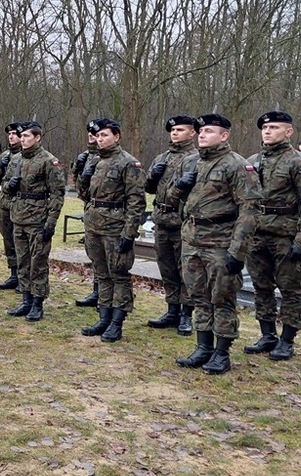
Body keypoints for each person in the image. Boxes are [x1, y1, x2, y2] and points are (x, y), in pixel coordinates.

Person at [168, 113, 260, 375]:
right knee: (199, 297)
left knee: (221, 298)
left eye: (209, 131)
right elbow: (173, 199)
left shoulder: (236, 165)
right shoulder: (195, 162)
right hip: (193, 240)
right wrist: (179, 186)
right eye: (201, 131)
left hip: (220, 242)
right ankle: (203, 347)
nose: (203, 135)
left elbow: (250, 210)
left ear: (224, 135)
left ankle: (221, 353)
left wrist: (237, 249)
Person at [243, 111, 301, 361]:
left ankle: (287, 339)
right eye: (265, 128)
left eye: (274, 127)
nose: (267, 131)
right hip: (257, 235)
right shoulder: (252, 161)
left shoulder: (299, 162)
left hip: (286, 236)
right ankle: (267, 334)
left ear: (288, 132)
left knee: (290, 290)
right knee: (261, 287)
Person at [78, 118, 146, 343]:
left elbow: (137, 202)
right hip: (94, 225)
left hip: (115, 228)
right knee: (101, 273)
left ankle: (117, 322)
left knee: (118, 275)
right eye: (97, 136)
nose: (100, 139)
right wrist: (83, 177)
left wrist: (129, 233)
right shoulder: (96, 161)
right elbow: (86, 196)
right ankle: (104, 316)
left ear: (117, 136)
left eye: (104, 135)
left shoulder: (128, 163)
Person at [5, 121, 66, 322]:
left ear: (37, 138)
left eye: (26, 137)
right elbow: (4, 185)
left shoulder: (48, 161)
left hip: (38, 219)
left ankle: (38, 303)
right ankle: (26, 299)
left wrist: (51, 223)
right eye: (21, 137)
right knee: (22, 260)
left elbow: (57, 194)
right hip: (18, 217)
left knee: (37, 262)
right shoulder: (16, 160)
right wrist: (9, 186)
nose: (22, 140)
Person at [144, 116, 198, 334]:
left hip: (182, 222)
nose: (175, 133)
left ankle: (186, 314)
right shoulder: (162, 157)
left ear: (192, 133)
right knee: (166, 269)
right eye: (173, 130)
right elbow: (148, 188)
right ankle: (172, 309)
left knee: (185, 270)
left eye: (180, 130)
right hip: (161, 220)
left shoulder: (196, 158)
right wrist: (152, 177)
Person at [73, 119, 103, 306]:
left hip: (109, 215)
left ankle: (105, 295)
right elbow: (80, 191)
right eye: (90, 133)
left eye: (96, 133)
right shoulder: (84, 156)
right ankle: (96, 290)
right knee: (94, 254)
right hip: (90, 210)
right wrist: (78, 172)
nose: (92, 135)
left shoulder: (109, 158)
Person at [0, 122, 23, 291]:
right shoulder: (5, 155)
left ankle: (23, 277)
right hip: (4, 205)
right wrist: (2, 165)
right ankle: (14, 274)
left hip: (18, 206)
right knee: (8, 240)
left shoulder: (26, 156)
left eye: (14, 134)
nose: (11, 136)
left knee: (20, 242)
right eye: (9, 134)